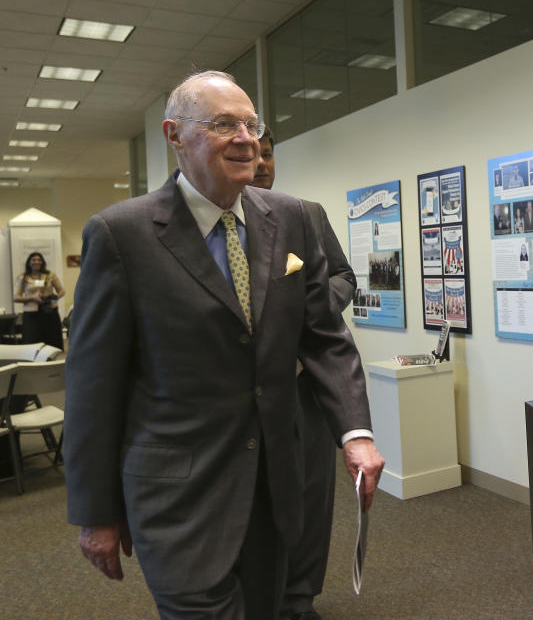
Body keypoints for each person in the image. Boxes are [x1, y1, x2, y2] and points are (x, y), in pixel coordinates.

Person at [64, 71, 385, 620]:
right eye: (222, 124)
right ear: (174, 134)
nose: (246, 139)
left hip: (274, 487)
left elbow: (324, 337)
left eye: (251, 124)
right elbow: (94, 385)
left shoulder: (291, 220)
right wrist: (95, 512)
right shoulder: (122, 234)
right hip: (178, 497)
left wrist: (354, 432)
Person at [251, 125, 356, 620]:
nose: (263, 164)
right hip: (245, 391)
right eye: (254, 155)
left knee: (313, 493)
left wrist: (312, 309)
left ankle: (300, 597)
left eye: (269, 154)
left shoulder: (305, 214)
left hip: (302, 382)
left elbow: (344, 275)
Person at [14, 252, 65, 349]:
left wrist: (54, 298)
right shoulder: (23, 277)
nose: (36, 262)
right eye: (34, 260)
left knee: (52, 341)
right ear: (29, 262)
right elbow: (16, 297)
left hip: (49, 312)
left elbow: (62, 290)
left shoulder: (50, 275)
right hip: (31, 314)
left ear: (42, 262)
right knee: (32, 341)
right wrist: (32, 298)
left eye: (39, 260)